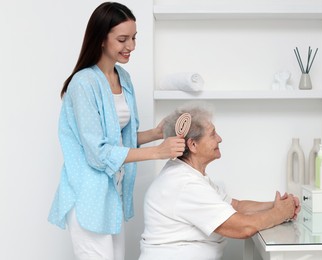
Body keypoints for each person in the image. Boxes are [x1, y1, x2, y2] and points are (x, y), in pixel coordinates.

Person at [48, 2, 185, 260]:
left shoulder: (124, 78)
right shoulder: (83, 84)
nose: (131, 46)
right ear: (101, 39)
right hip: (88, 195)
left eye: (134, 38)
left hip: (112, 193)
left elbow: (122, 140)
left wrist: (157, 133)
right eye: (122, 39)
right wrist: (158, 152)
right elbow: (99, 154)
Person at [139, 104, 301, 260]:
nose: (220, 139)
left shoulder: (189, 174)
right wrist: (280, 213)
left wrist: (276, 204)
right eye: (212, 134)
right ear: (193, 144)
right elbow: (243, 228)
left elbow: (235, 205)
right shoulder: (184, 184)